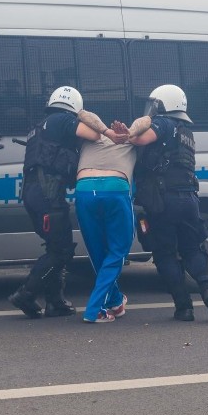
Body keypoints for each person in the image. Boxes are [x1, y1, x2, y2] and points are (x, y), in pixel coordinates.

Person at [9, 86, 120, 319]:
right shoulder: (61, 120)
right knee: (61, 251)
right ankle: (26, 293)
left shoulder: (40, 126)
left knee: (56, 246)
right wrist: (87, 120)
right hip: (48, 194)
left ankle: (55, 302)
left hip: (33, 192)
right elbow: (94, 135)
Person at [129, 85, 208, 322]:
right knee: (193, 247)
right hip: (189, 198)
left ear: (163, 104)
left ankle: (184, 307)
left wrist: (128, 133)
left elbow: (140, 139)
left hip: (163, 201)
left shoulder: (163, 124)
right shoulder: (186, 132)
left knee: (165, 254)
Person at [75, 126, 135, 323]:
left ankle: (116, 301)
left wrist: (104, 130)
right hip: (115, 189)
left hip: (84, 190)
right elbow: (146, 121)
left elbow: (81, 114)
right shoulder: (132, 139)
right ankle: (95, 310)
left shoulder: (90, 136)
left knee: (98, 251)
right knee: (119, 250)